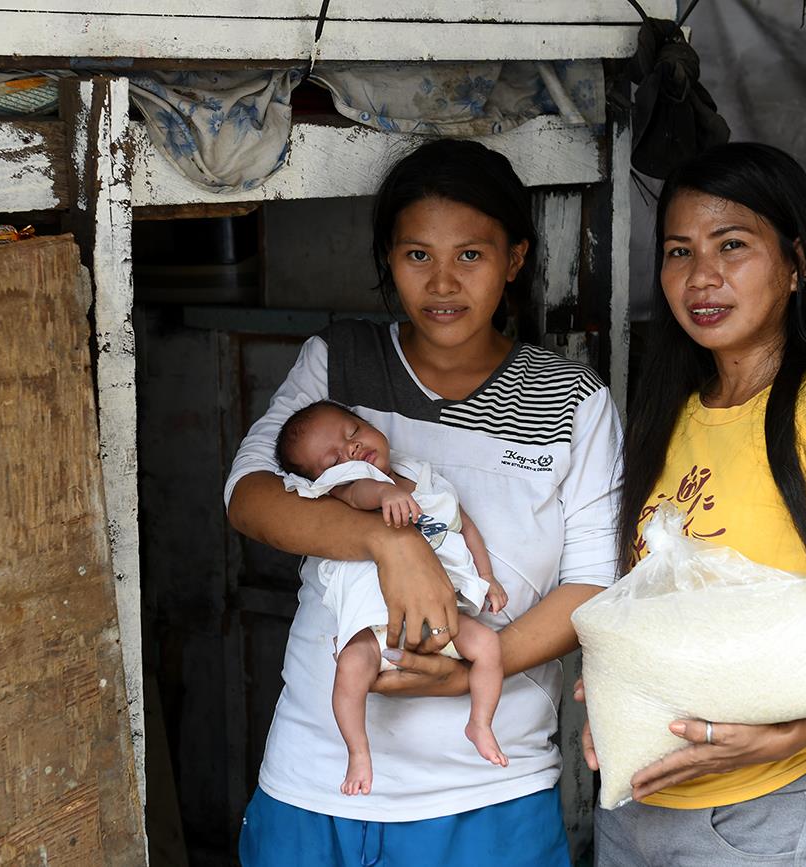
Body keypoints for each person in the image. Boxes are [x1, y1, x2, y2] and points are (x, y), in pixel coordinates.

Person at [225, 137, 623, 867]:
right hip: (317, 779)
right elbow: (249, 497)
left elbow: (593, 585)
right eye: (417, 255)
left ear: (515, 258)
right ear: (389, 258)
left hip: (491, 792)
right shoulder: (339, 363)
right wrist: (389, 542)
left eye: (470, 255)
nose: (443, 283)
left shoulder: (573, 401)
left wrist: (472, 669)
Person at [583, 142, 806, 866]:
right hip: (636, 807)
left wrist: (798, 726)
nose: (702, 276)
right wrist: (618, 682)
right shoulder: (674, 415)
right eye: (680, 251)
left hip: (769, 815)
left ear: (795, 263)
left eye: (732, 245)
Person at [275, 399, 512, 795]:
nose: (351, 450)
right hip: (375, 626)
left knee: (488, 645)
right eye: (334, 460)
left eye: (352, 432)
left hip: (441, 616)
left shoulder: (423, 478)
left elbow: (465, 526)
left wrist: (487, 577)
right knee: (351, 668)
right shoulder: (353, 488)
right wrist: (384, 493)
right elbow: (360, 491)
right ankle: (358, 752)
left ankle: (480, 723)